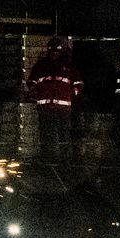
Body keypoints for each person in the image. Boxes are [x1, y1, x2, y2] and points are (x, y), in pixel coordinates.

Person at [27, 37, 84, 176]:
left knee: (64, 137)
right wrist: (34, 91)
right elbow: (31, 82)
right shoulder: (41, 65)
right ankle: (47, 165)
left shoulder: (68, 66)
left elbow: (78, 83)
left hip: (63, 110)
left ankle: (65, 166)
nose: (54, 53)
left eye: (57, 51)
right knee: (46, 137)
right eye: (52, 51)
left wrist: (73, 93)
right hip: (45, 109)